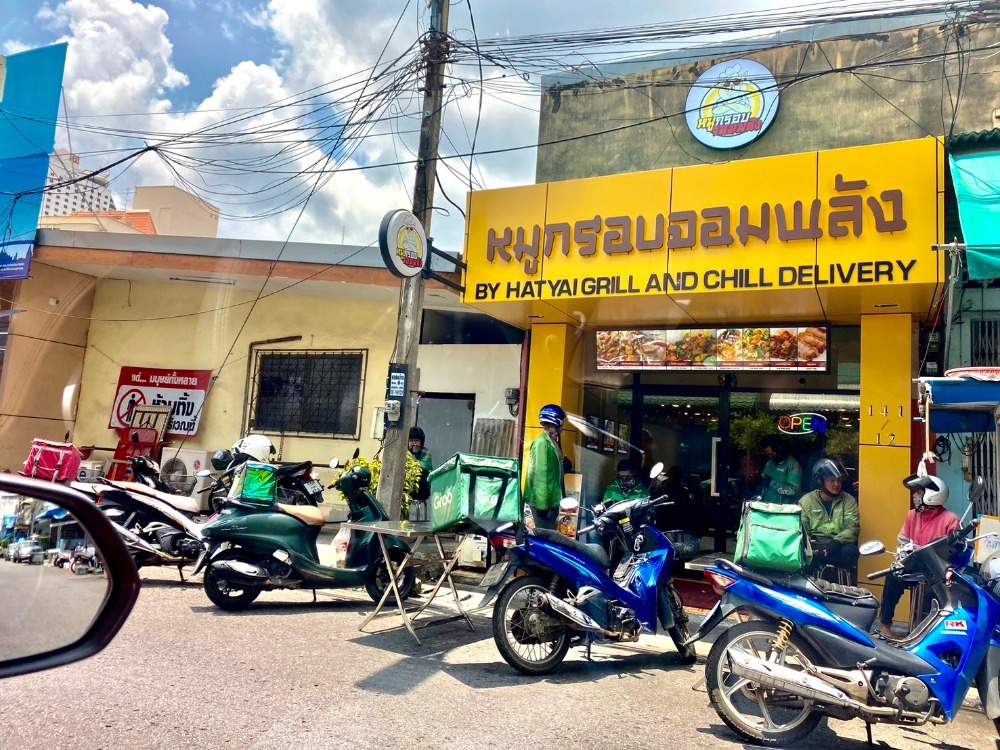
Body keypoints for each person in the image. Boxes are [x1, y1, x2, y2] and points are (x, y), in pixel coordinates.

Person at [877, 472, 960, 639]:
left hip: (938, 571)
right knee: (892, 577)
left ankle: (923, 632)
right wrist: (904, 553)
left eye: (919, 491)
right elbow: (902, 539)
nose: (915, 495)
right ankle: (885, 625)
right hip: (913, 565)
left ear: (932, 495)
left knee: (930, 592)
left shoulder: (951, 519)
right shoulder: (912, 515)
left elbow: (956, 551)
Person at [799, 458, 861, 583]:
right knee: (801, 554)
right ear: (820, 481)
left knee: (852, 552)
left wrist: (836, 542)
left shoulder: (848, 500)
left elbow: (852, 527)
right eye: (832, 480)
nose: (836, 484)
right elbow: (802, 527)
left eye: (839, 480)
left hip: (838, 546)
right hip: (815, 547)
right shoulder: (806, 501)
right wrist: (810, 545)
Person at [524, 404, 566, 530]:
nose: (562, 427)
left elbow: (553, 470)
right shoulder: (542, 443)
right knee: (544, 540)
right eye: (562, 422)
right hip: (541, 505)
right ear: (556, 421)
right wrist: (542, 507)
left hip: (551, 502)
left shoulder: (552, 441)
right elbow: (540, 476)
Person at [760, 435, 803, 504]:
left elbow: (795, 491)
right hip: (766, 507)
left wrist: (772, 483)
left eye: (772, 454)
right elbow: (764, 481)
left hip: (783, 510)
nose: (770, 457)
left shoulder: (792, 465)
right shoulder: (770, 462)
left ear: (779, 449)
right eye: (768, 455)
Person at [407, 426, 432, 509]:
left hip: (422, 489)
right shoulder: (404, 452)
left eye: (417, 440)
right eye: (411, 440)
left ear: (421, 442)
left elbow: (422, 467)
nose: (414, 443)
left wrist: (409, 460)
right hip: (407, 489)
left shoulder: (426, 453)